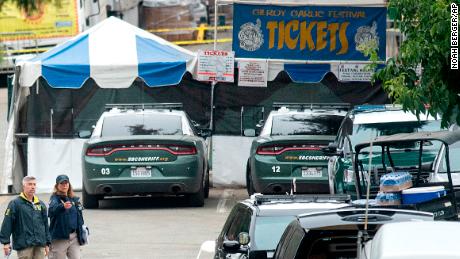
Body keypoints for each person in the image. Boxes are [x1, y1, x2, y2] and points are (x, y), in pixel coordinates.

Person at [0, 176, 51, 259]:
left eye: (34, 184)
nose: (33, 187)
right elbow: (7, 223)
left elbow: (45, 224)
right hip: (24, 245)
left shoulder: (40, 204)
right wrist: (6, 242)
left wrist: (47, 243)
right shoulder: (15, 204)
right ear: (24, 186)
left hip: (40, 244)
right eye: (30, 184)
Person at [48, 175, 85, 259]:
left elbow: (80, 216)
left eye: (66, 183)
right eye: (62, 183)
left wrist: (82, 231)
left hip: (74, 237)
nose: (64, 185)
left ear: (69, 184)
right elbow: (51, 210)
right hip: (60, 238)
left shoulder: (74, 199)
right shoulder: (54, 199)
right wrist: (62, 206)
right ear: (57, 186)